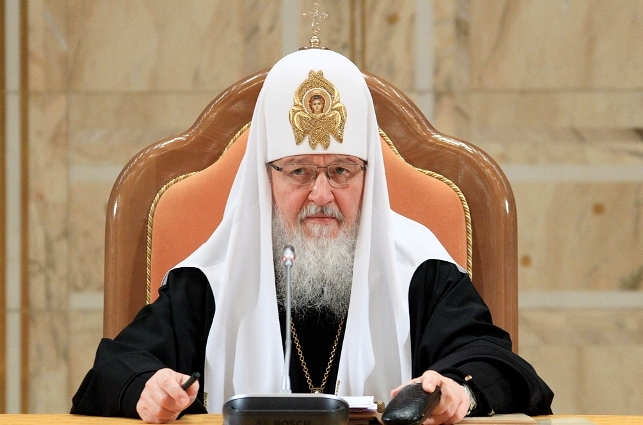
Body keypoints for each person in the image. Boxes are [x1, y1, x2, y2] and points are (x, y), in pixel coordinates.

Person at [71, 47, 553, 424]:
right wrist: (148, 388)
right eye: (299, 170)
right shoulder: (212, 278)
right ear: (267, 177)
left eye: (341, 170)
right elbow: (115, 368)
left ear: (368, 176)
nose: (321, 194)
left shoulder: (418, 269)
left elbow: (495, 363)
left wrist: (456, 391)